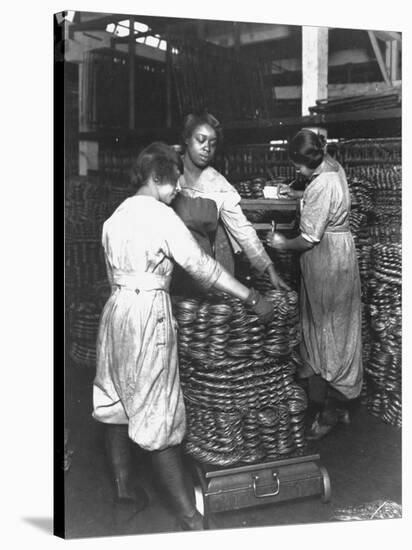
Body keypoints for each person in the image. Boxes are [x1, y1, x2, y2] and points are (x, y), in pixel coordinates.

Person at [92, 142, 276, 531]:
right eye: (174, 180)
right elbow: (202, 268)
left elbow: (114, 277)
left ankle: (124, 488)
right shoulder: (161, 217)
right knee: (160, 413)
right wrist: (251, 295)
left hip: (116, 313)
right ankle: (192, 519)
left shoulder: (114, 218)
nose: (179, 188)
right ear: (157, 177)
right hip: (148, 316)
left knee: (114, 401)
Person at [266, 129, 363, 440]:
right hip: (340, 252)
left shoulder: (321, 184)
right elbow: (325, 202)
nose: (297, 172)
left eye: (298, 167)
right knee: (335, 327)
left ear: (306, 163)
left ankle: (331, 410)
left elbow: (308, 238)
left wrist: (280, 243)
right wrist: (297, 195)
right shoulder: (333, 167)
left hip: (326, 260)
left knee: (327, 332)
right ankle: (336, 402)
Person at [176, 111, 289, 290]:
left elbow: (242, 230)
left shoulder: (219, 185)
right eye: (201, 140)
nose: (207, 148)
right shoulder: (169, 173)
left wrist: (269, 269)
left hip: (209, 262)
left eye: (212, 144)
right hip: (173, 263)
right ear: (187, 139)